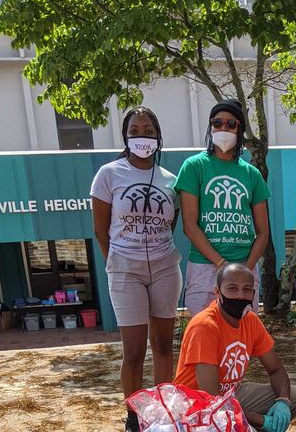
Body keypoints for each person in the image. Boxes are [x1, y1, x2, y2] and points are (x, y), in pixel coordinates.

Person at [90, 106, 182, 432]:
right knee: (133, 351)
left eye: (148, 130)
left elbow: (171, 226)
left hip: (165, 268)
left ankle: (161, 413)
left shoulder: (171, 180)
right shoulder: (108, 174)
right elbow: (100, 230)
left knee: (164, 346)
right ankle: (134, 416)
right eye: (135, 130)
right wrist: (116, 262)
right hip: (125, 271)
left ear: (158, 137)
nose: (142, 136)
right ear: (125, 136)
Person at [173, 263, 296, 432]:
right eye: (232, 288)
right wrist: (262, 421)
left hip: (230, 394)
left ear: (254, 293)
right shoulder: (204, 326)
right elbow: (212, 400)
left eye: (247, 290)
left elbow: (276, 369)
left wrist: (283, 401)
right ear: (217, 292)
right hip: (195, 405)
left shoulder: (250, 320)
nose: (240, 296)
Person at [175, 99, 270, 315]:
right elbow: (189, 226)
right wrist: (222, 264)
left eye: (230, 124)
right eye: (217, 123)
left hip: (245, 266)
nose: (223, 128)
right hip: (204, 267)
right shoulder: (194, 166)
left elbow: (263, 232)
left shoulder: (252, 174)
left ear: (239, 129)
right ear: (210, 127)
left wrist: (244, 270)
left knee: (243, 332)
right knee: (205, 330)